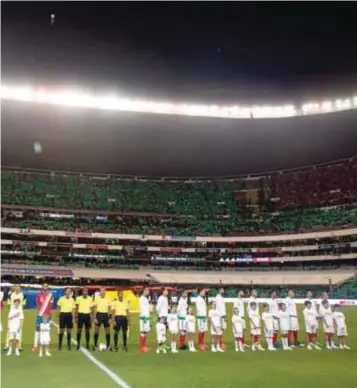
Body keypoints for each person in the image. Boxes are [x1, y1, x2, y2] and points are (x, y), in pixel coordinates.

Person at [32, 284, 54, 352]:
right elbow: (38, 304)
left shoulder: (51, 295)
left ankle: (46, 346)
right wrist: (39, 313)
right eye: (44, 286)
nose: (45, 287)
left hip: (47, 315)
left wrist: (50, 315)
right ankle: (35, 346)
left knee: (47, 330)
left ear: (48, 287)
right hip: (40, 314)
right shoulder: (38, 295)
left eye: (46, 286)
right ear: (42, 287)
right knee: (37, 329)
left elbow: (51, 305)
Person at [5, 283, 26, 351]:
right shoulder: (10, 295)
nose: (17, 287)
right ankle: (7, 345)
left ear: (20, 287)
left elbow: (23, 305)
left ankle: (19, 346)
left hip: (20, 314)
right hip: (11, 314)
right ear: (14, 287)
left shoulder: (24, 295)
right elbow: (8, 304)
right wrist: (12, 312)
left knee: (19, 329)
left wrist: (19, 311)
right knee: (9, 329)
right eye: (16, 286)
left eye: (18, 286)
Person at [139, 287, 151, 352]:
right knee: (143, 331)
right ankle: (141, 347)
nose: (148, 291)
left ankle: (144, 346)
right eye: (147, 290)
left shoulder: (146, 299)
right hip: (143, 318)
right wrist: (144, 318)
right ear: (144, 291)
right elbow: (141, 309)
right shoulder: (141, 299)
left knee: (145, 331)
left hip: (147, 317)